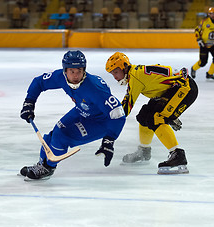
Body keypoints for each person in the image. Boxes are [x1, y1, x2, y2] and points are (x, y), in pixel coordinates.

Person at [20, 50, 126, 180]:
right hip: (83, 110)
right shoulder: (60, 77)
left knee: (62, 137)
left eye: (79, 71)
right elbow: (39, 82)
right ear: (65, 71)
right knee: (55, 133)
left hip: (101, 122)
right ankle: (42, 164)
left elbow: (118, 114)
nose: (76, 76)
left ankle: (48, 167)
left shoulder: (95, 88)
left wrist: (109, 140)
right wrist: (29, 103)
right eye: (72, 71)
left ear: (84, 70)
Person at [105, 52, 198, 174]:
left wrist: (106, 120)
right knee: (144, 116)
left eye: (116, 72)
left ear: (124, 66)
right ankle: (144, 151)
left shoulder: (135, 77)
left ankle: (177, 155)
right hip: (172, 89)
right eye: (112, 74)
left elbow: (126, 107)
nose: (115, 77)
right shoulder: (135, 73)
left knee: (156, 118)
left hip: (185, 89)